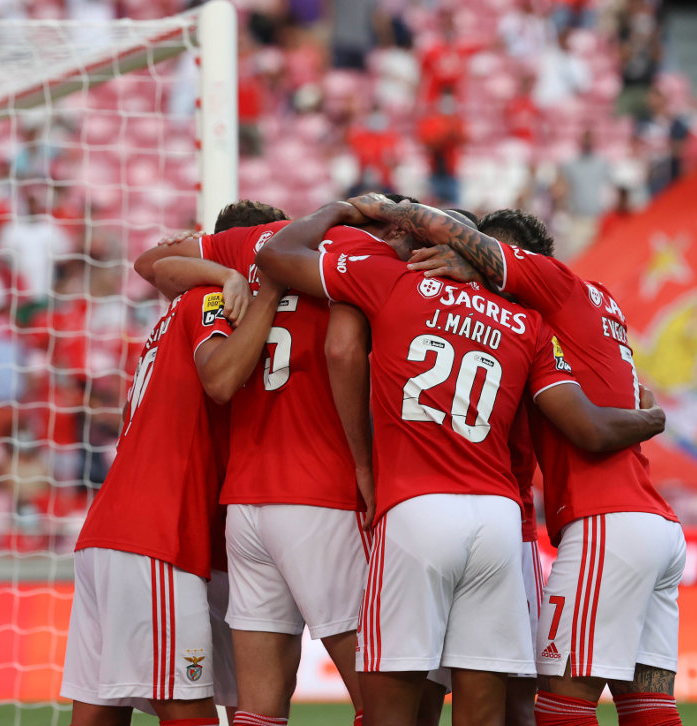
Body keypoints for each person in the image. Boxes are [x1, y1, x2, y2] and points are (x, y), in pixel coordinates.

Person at [255, 200, 666, 726]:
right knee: (493, 709)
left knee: (393, 704)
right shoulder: (530, 322)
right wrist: (649, 415)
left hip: (416, 507)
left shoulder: (394, 281)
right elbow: (584, 419)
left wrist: (348, 211)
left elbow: (279, 256)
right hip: (500, 520)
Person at [135, 199, 372, 726]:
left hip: (245, 507)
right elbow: (343, 352)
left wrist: (225, 272)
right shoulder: (339, 261)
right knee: (382, 699)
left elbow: (151, 263)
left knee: (258, 708)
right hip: (320, 493)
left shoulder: (238, 264)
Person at [59, 247, 285, 726]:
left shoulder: (169, 319)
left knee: (98, 713)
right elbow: (220, 380)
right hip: (156, 536)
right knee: (187, 709)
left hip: (108, 532)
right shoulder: (207, 300)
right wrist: (269, 293)